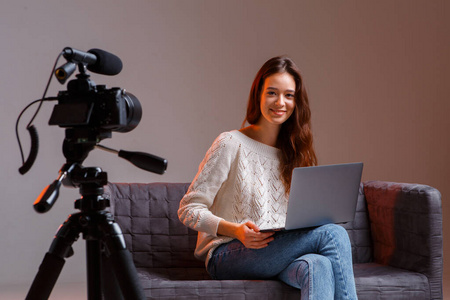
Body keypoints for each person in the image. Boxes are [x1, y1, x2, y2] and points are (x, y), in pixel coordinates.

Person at [178, 56, 358, 300]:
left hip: (276, 252)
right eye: (272, 93)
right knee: (333, 234)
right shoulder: (230, 143)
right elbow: (188, 209)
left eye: (289, 95)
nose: (280, 102)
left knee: (318, 266)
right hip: (228, 255)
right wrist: (236, 230)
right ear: (258, 95)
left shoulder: (294, 154)